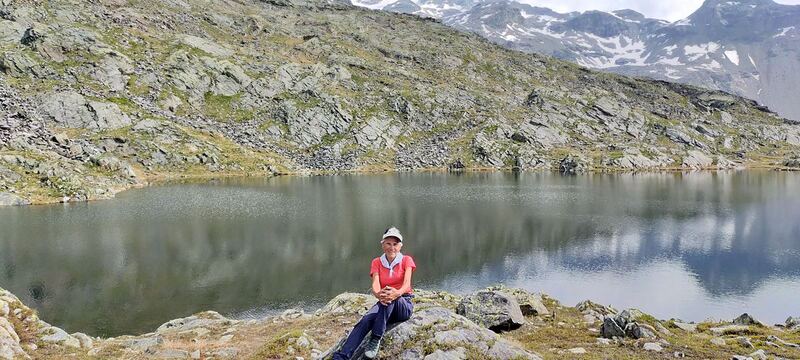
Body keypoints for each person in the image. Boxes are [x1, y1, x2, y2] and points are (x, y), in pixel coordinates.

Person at [332, 226, 416, 360]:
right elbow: (376, 284)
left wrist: (396, 293)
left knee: (389, 293)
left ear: (400, 246)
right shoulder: (377, 262)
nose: (392, 247)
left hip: (403, 303)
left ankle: (376, 338)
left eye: (395, 244)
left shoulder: (406, 260)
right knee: (365, 320)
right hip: (384, 302)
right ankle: (342, 356)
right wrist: (378, 294)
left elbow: (407, 285)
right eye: (388, 243)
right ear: (383, 245)